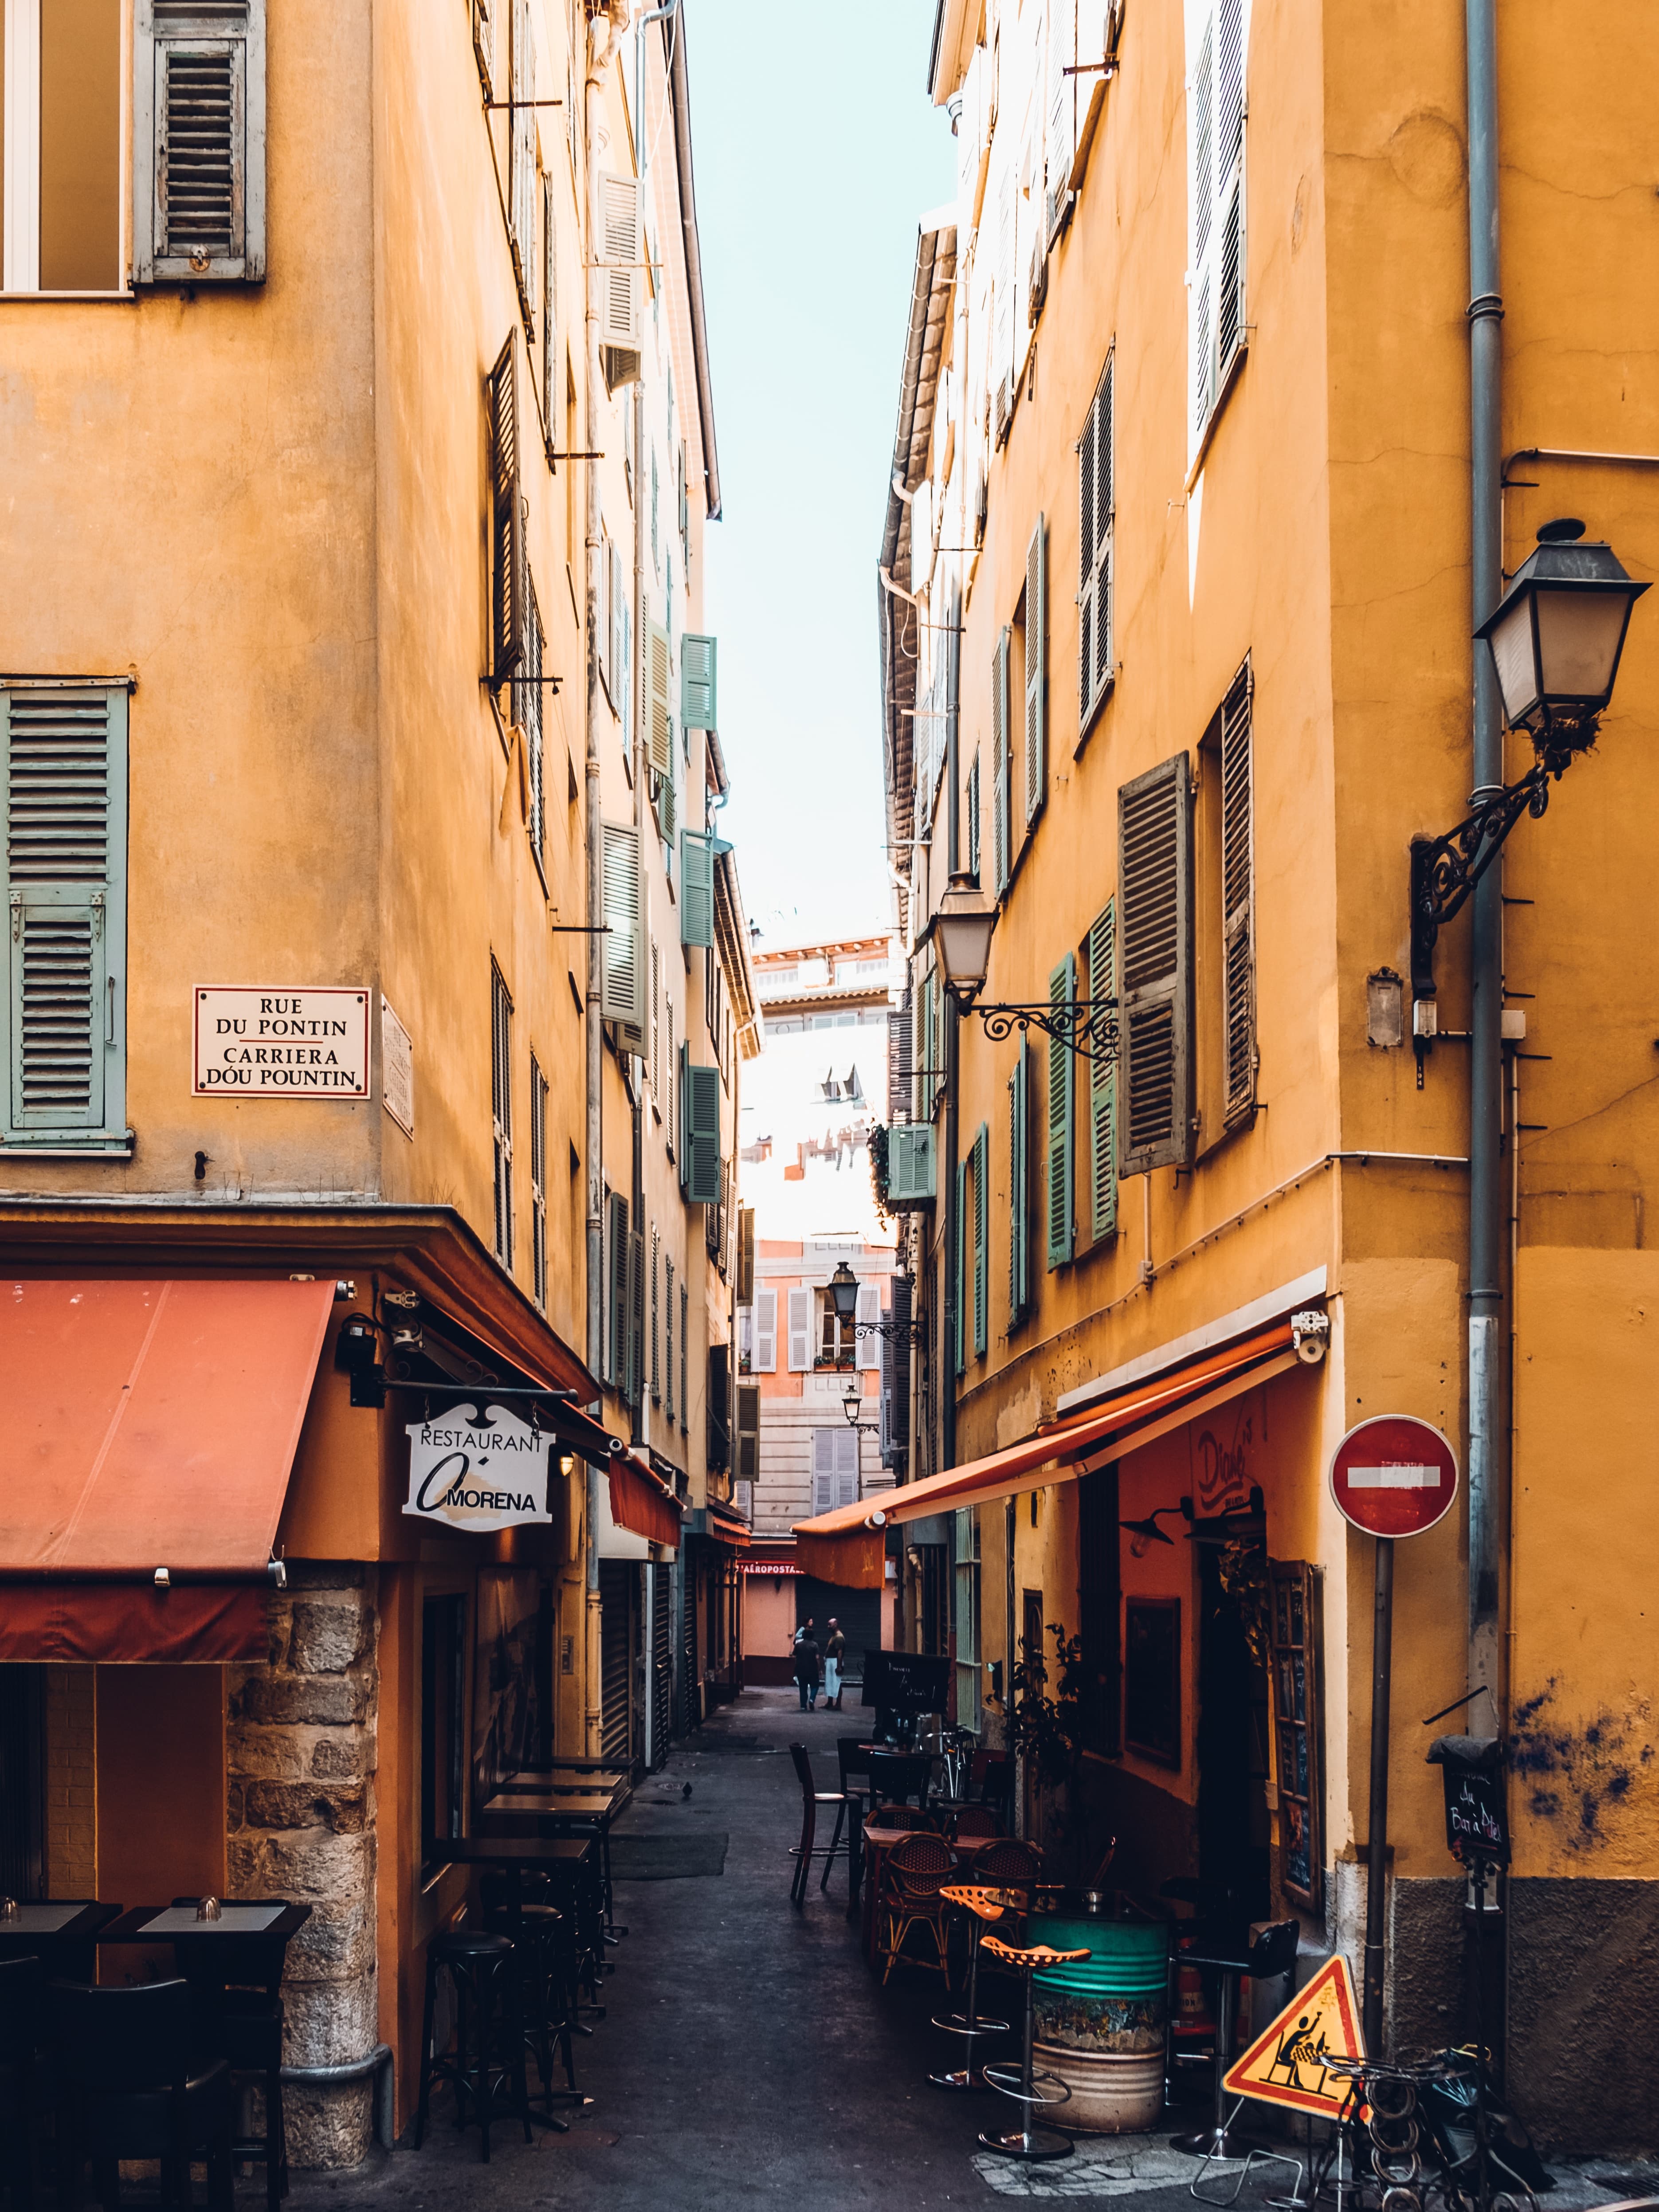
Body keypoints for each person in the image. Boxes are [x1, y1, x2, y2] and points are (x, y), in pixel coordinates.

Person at [792, 1626, 821, 1713]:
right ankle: (812, 1699)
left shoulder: (798, 1645)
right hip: (813, 1670)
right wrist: (820, 1669)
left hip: (801, 1670)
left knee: (803, 1688)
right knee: (815, 1686)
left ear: (803, 1636)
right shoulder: (815, 1645)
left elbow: (794, 1654)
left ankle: (803, 1706)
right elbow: (817, 1658)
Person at [823, 1618, 847, 1710]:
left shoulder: (839, 1637)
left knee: (837, 1684)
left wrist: (839, 1666)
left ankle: (838, 1704)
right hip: (831, 1662)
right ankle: (830, 1703)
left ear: (836, 1624)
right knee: (830, 1683)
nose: (828, 1627)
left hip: (835, 1662)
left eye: (830, 1625)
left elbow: (840, 1652)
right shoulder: (834, 1636)